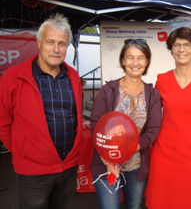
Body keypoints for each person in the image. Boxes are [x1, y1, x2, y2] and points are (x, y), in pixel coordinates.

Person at [0, 13, 83, 209]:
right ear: (39, 42)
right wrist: (24, 151)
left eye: (62, 44)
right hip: (33, 171)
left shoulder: (73, 77)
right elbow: (3, 122)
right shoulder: (14, 77)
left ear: (67, 47)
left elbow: (75, 118)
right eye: (50, 42)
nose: (56, 49)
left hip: (68, 167)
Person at [146, 27, 191, 209]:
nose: (181, 49)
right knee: (160, 202)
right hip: (163, 153)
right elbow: (152, 117)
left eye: (187, 45)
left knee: (189, 202)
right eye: (177, 45)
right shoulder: (161, 80)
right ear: (171, 50)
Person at [90, 39, 161, 209]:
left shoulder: (153, 94)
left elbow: (153, 129)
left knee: (134, 207)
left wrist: (131, 148)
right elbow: (96, 126)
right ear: (122, 61)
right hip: (107, 164)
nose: (135, 63)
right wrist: (108, 160)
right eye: (130, 57)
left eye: (141, 57)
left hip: (136, 166)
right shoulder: (108, 91)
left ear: (147, 61)